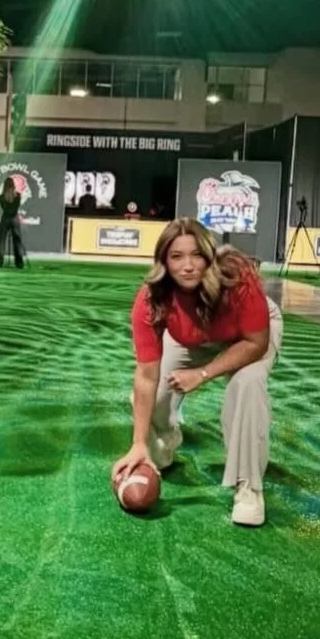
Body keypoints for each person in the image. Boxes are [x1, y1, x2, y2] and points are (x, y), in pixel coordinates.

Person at [112, 217, 283, 527]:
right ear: (164, 261)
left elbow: (256, 344)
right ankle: (163, 442)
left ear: (209, 255)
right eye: (176, 256)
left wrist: (203, 373)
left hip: (246, 335)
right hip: (191, 336)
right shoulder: (151, 297)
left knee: (247, 384)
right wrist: (138, 444)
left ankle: (249, 487)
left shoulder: (237, 275)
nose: (188, 266)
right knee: (155, 401)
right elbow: (146, 376)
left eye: (196, 255)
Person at [0, 177, 25, 268]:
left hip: (5, 219)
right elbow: (16, 208)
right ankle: (19, 262)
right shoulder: (18, 195)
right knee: (17, 241)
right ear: (13, 185)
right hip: (14, 219)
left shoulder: (1, 197)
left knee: (1, 240)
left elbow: (4, 209)